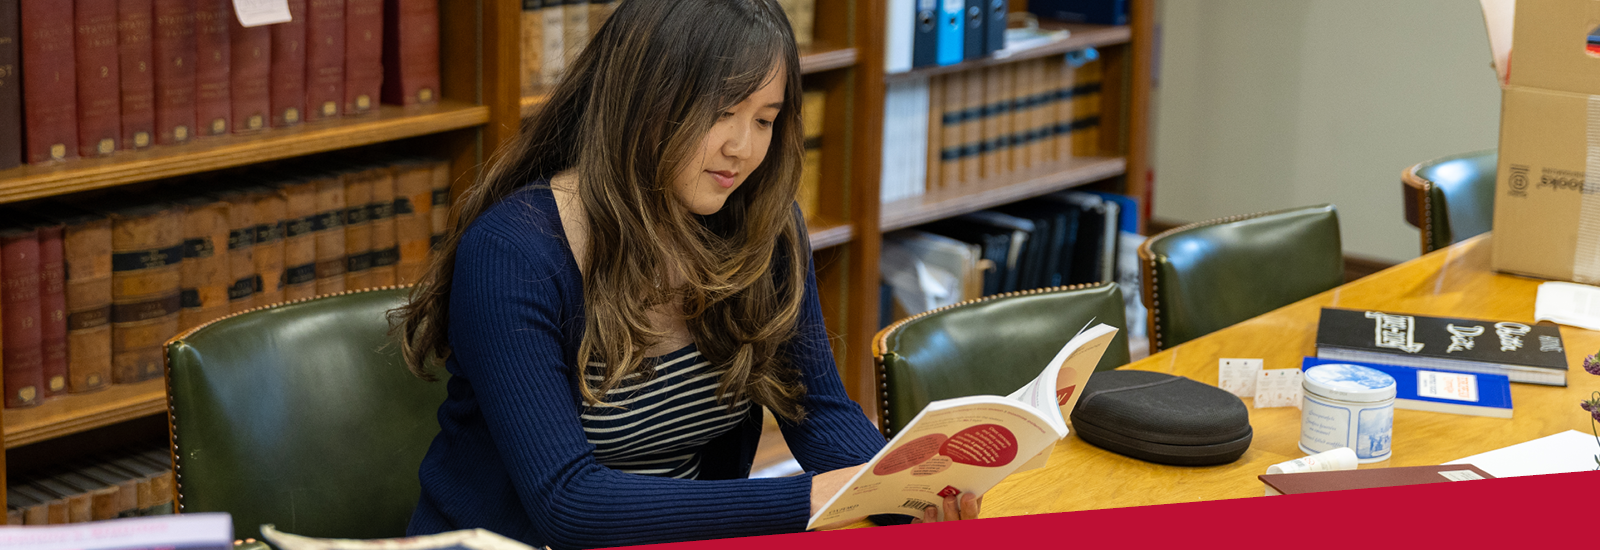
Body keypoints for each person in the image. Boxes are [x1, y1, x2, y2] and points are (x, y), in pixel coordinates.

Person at [394, 1, 979, 547]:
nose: (742, 149)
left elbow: (816, 409)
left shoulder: (762, 227)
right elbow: (568, 503)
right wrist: (813, 499)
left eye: (764, 119)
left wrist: (903, 489)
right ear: (640, 101)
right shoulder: (513, 253)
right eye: (721, 113)